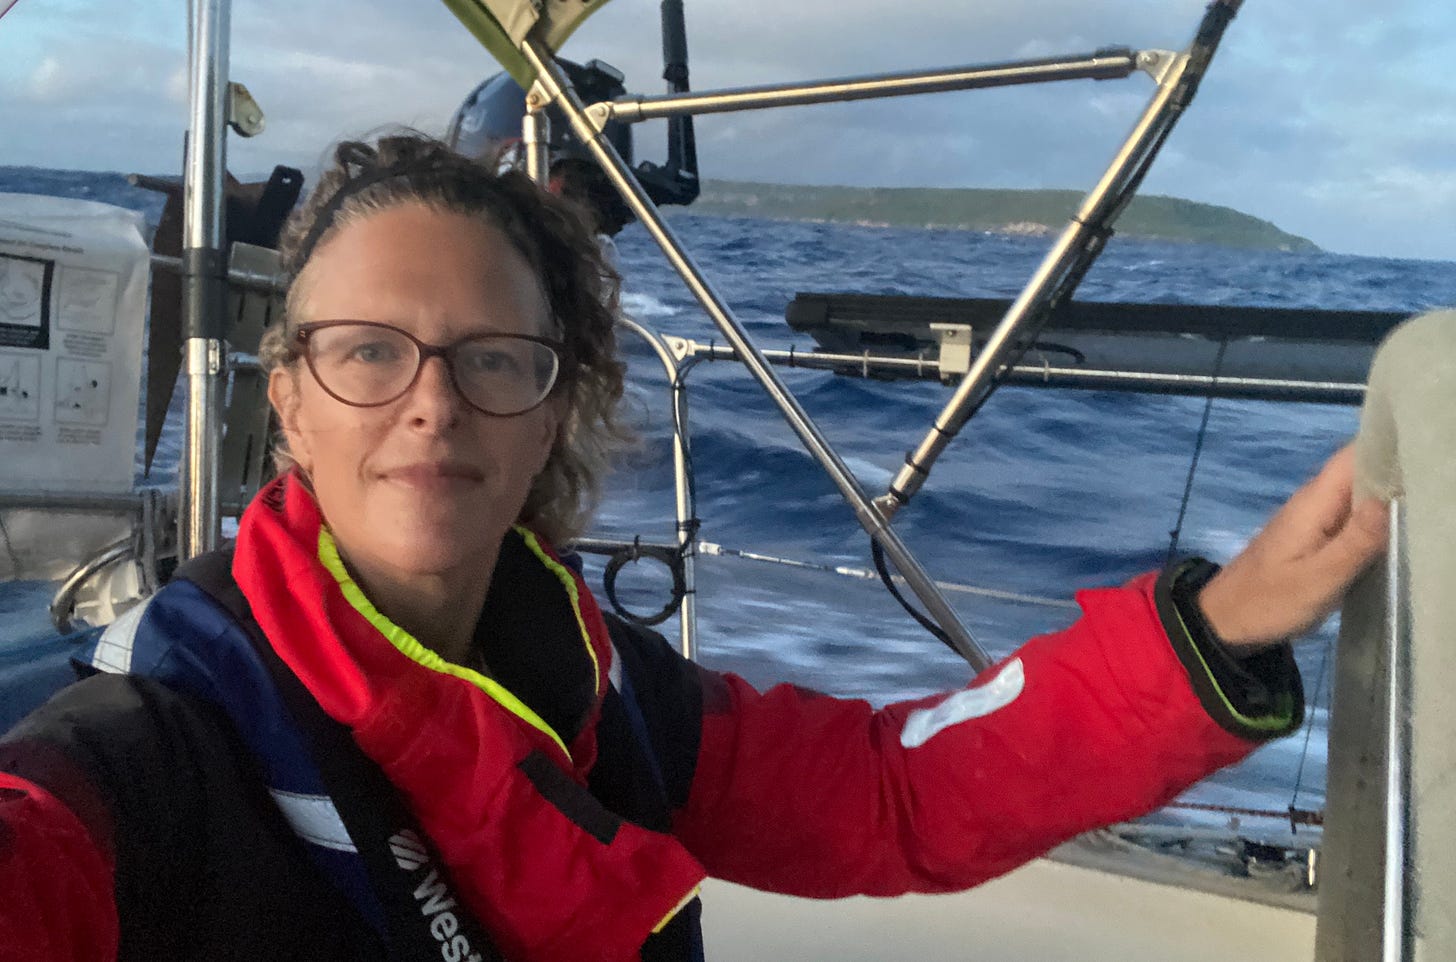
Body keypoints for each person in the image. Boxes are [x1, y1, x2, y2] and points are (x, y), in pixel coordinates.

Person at [0, 132, 1387, 962]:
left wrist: (1226, 622)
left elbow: (891, 794)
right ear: (288, 400)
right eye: (369, 351)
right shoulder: (151, 747)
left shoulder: (607, 697)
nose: (432, 400)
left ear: (553, 411)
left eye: (493, 357)